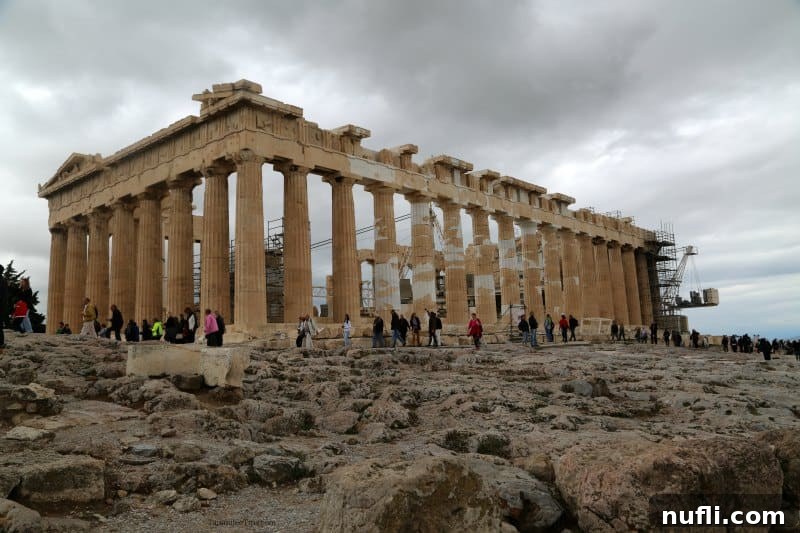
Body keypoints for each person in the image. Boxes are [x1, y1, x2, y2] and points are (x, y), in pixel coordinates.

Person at [0, 264, 7, 348]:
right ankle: (1, 344)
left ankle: (1, 344)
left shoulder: (1, 280)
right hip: (2, 306)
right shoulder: (3, 280)